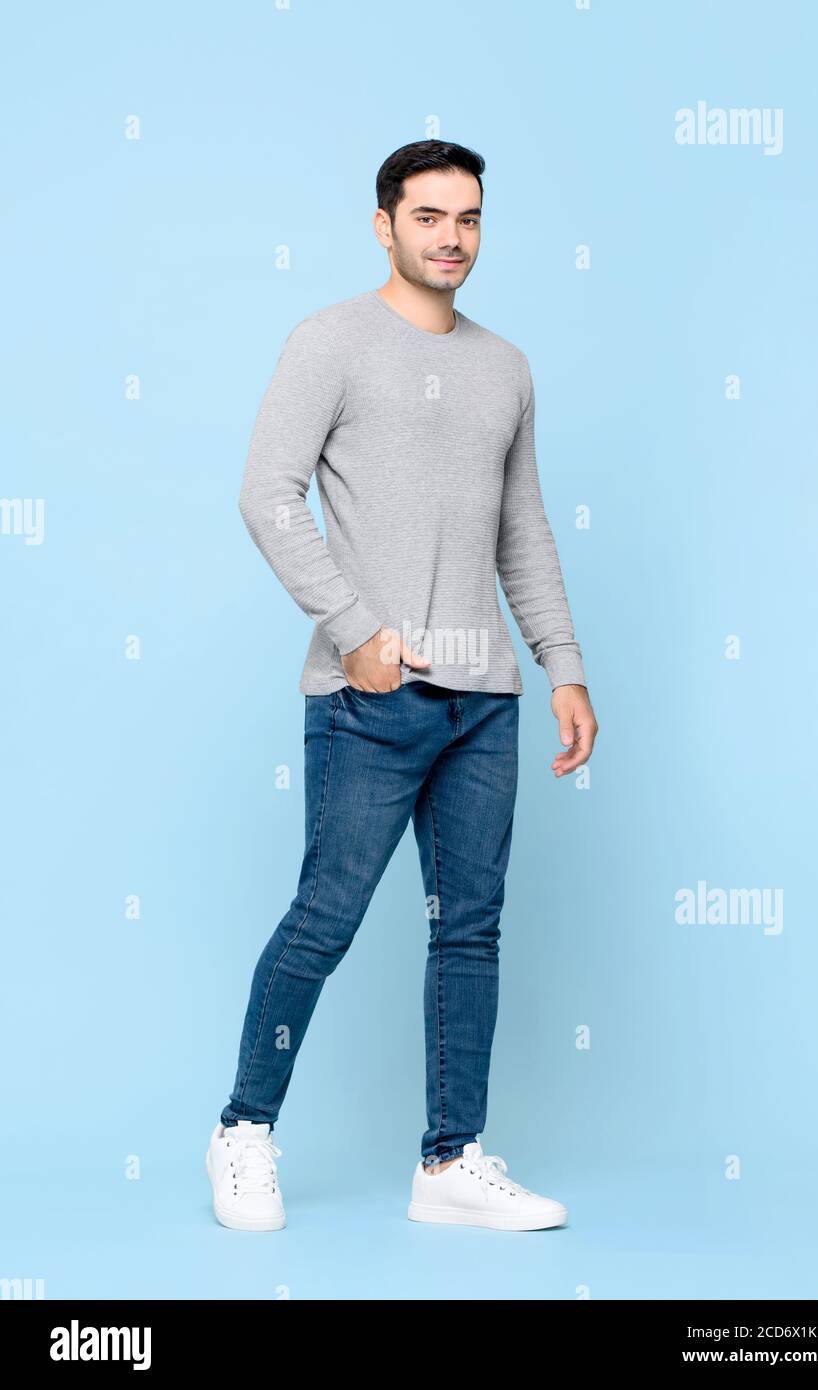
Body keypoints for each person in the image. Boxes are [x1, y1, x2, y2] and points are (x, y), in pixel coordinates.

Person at [206, 139, 598, 1232]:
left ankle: (451, 1159)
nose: (451, 237)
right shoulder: (329, 342)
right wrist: (357, 630)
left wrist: (562, 668)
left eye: (468, 218)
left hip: (488, 701)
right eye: (428, 217)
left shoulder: (508, 366)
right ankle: (243, 1128)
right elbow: (266, 493)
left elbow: (523, 530)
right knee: (326, 916)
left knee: (469, 927)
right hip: (367, 700)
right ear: (384, 224)